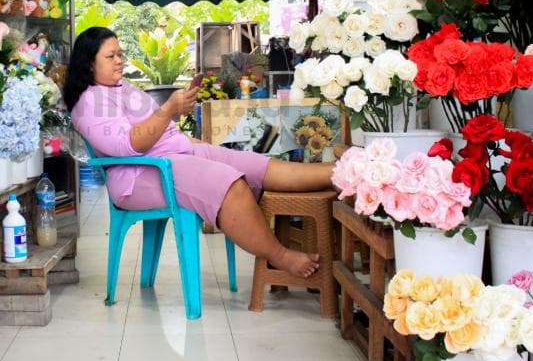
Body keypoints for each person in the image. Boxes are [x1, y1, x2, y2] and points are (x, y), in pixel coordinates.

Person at [65, 27, 335, 279]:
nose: (119, 61)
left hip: (174, 154)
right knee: (230, 184)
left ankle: (338, 174)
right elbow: (128, 145)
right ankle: (281, 257)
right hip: (138, 174)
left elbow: (162, 132)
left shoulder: (121, 87)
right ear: (89, 64)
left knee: (254, 164)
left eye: (120, 54)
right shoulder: (89, 102)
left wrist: (193, 143)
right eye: (110, 56)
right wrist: (168, 110)